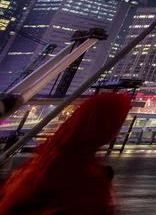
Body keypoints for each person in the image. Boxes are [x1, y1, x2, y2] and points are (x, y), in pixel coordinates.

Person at [0, 91, 132, 215]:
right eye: (119, 123)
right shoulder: (84, 178)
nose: (118, 130)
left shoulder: (44, 162)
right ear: (104, 126)